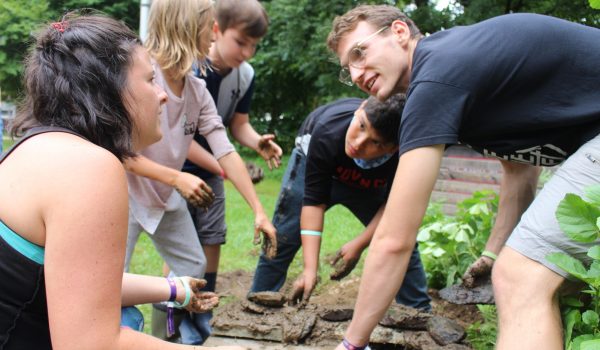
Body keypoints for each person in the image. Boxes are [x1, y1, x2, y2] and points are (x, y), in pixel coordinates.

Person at [326, 5, 600, 349]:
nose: (355, 72)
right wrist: (492, 254)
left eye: (359, 52)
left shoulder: (436, 76)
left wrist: (352, 343)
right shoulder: (456, 67)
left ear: (398, 32)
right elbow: (519, 170)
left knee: (522, 278)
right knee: (553, 280)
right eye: (347, 68)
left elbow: (395, 240)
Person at [0, 12, 243, 350]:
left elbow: (76, 282)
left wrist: (174, 289)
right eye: (149, 80)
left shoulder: (39, 147)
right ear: (108, 90)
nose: (161, 95)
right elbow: (91, 344)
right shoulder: (89, 168)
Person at [122, 0, 276, 343]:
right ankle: (117, 333)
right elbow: (119, 152)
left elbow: (225, 149)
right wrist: (176, 177)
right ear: (188, 26)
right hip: (127, 196)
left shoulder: (196, 90)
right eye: (209, 26)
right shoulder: (143, 77)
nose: (213, 34)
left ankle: (171, 335)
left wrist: (259, 211)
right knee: (112, 277)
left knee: (193, 267)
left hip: (164, 199)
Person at [250, 94, 431, 312]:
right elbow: (313, 203)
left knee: (400, 239)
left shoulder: (407, 155)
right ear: (361, 108)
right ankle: (258, 305)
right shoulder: (328, 130)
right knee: (283, 236)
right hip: (315, 161)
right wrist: (310, 269)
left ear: (393, 148)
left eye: (375, 142)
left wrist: (359, 244)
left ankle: (418, 312)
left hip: (371, 183)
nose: (358, 142)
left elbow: (393, 208)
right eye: (361, 125)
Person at [178, 0, 282, 342]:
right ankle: (173, 321)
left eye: (254, 45)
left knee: (211, 239)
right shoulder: (188, 67)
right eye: (241, 42)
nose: (248, 52)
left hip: (215, 169)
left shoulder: (244, 75)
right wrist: (226, 168)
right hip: (175, 170)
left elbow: (238, 125)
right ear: (216, 30)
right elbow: (180, 138)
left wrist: (256, 143)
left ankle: (201, 316)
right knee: (178, 243)